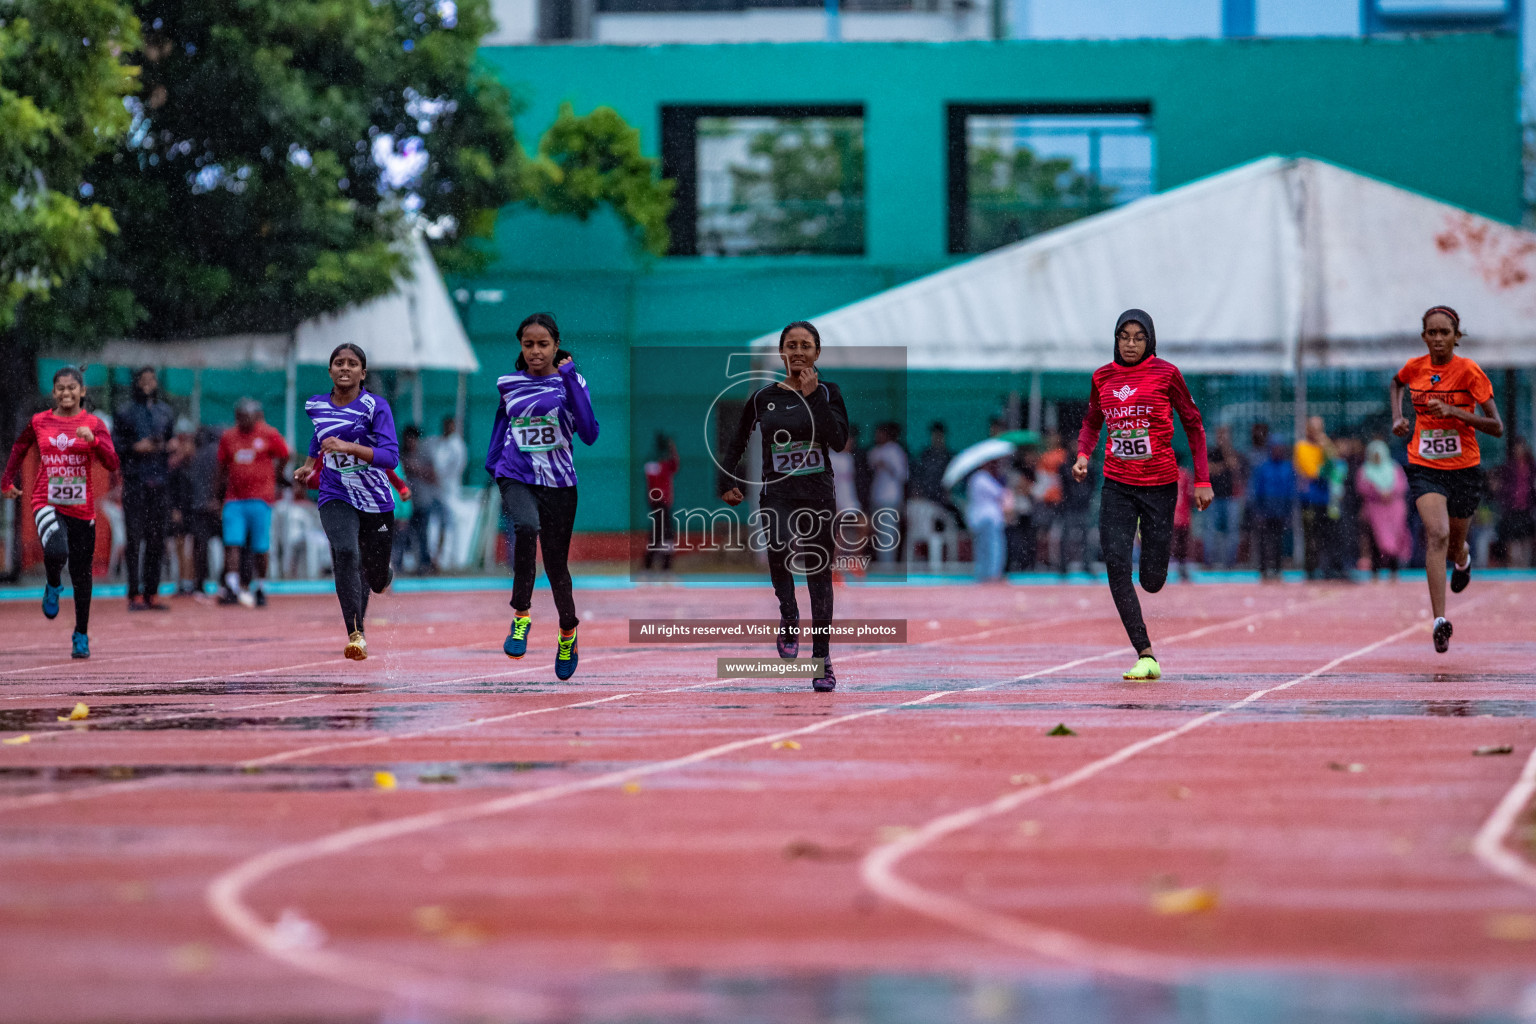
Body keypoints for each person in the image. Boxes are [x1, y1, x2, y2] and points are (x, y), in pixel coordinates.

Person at [1073, 309, 1212, 680]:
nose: (1130, 344)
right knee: (1116, 565)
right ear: (1115, 340)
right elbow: (1091, 421)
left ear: (1149, 339)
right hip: (1117, 484)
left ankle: (1150, 555)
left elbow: (1193, 424)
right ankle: (1145, 653)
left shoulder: (1167, 374)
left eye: (1138, 337)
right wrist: (1084, 455)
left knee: (1151, 580)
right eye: (1124, 336)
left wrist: (1202, 480)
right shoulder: (1102, 377)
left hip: (1160, 486)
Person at [719, 320, 849, 693]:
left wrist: (813, 398)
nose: (797, 352)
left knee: (819, 576)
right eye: (790, 345)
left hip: (818, 495)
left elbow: (837, 440)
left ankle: (822, 660)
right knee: (777, 547)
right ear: (781, 353)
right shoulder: (763, 398)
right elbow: (737, 440)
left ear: (817, 353)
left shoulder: (829, 392)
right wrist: (727, 480)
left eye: (805, 346)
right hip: (777, 494)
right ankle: (789, 614)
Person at [487, 313, 600, 679]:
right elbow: (501, 424)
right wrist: (494, 467)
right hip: (516, 475)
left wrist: (569, 379)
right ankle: (521, 615)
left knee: (556, 567)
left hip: (560, 485)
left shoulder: (572, 381)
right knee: (525, 526)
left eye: (542, 344)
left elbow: (589, 433)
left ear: (555, 345)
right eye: (528, 344)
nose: (535, 352)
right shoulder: (508, 383)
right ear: (521, 347)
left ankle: (568, 631)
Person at [1390, 305, 1502, 653]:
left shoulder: (1469, 372)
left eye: (1445, 333)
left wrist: (1455, 412)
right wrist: (1398, 417)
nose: (1438, 339)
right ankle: (1440, 621)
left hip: (1464, 468)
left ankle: (1463, 558)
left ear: (1456, 337)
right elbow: (1396, 383)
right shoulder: (1414, 368)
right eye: (1432, 333)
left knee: (1454, 544)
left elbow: (1496, 427)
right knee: (1436, 534)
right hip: (1425, 464)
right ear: (1424, 336)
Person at [1, 367, 120, 658]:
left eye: (71, 388)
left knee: (82, 575)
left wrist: (93, 441)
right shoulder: (40, 421)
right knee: (56, 551)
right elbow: (19, 447)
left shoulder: (94, 423)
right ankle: (53, 583)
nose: (66, 393)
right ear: (54, 393)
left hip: (81, 508)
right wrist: (6, 481)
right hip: (47, 501)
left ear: (82, 392)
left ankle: (81, 633)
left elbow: (112, 462)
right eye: (60, 389)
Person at [291, 344, 400, 661]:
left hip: (376, 500)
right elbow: (320, 434)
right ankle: (356, 634)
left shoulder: (375, 407)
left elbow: (390, 457)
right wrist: (311, 464)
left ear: (362, 373)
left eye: (353, 364)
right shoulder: (315, 405)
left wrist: (350, 448)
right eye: (338, 363)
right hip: (335, 493)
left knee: (376, 578)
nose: (345, 368)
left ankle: (383, 575)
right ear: (330, 371)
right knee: (346, 550)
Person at [112, 367, 177, 610]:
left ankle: (152, 592)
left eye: (152, 380)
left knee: (157, 539)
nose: (148, 384)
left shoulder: (164, 412)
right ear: (136, 383)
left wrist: (168, 446)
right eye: (144, 380)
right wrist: (135, 448)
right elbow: (116, 445)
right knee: (134, 538)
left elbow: (171, 440)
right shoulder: (125, 411)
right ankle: (134, 593)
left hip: (160, 483)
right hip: (136, 482)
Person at [217, 398, 291, 606]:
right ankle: (231, 586)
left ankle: (260, 586)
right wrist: (218, 496)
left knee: (260, 546)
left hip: (261, 499)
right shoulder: (229, 437)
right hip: (235, 499)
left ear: (256, 416)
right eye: (240, 417)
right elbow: (221, 466)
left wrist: (277, 475)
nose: (244, 421)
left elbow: (285, 454)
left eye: (248, 417)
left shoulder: (268, 434)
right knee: (232, 543)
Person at [1356, 439, 1411, 580]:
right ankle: (1375, 570)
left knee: (1396, 540)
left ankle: (1394, 570)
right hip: (1375, 511)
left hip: (1394, 511)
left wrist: (1389, 493)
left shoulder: (1394, 468)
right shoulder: (1365, 470)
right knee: (1375, 541)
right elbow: (1362, 488)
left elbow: (1402, 486)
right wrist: (1378, 492)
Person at [1294, 416, 1336, 580]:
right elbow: (1311, 471)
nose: (1318, 432)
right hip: (1309, 500)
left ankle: (1327, 568)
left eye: (1320, 428)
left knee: (1327, 535)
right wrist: (1324, 469)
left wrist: (1326, 447)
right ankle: (1311, 570)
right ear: (1308, 429)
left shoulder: (1324, 446)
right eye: (1314, 428)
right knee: (1311, 536)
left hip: (1325, 499)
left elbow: (1335, 463)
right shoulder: (1302, 447)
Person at [1248, 442, 1296, 581]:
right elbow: (1257, 490)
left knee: (1279, 542)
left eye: (1280, 448)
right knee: (1263, 541)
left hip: (1280, 509)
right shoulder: (1263, 468)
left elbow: (1290, 490)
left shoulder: (1287, 467)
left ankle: (1277, 569)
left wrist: (1288, 511)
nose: (1278, 451)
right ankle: (1263, 570)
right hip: (1266, 509)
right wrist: (1258, 510)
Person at [1203, 425, 1245, 568]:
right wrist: (1223, 465)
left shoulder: (1233, 452)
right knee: (1210, 531)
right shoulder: (1211, 452)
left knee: (1232, 531)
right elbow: (1209, 469)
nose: (1222, 439)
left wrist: (1226, 451)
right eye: (1220, 435)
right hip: (1213, 497)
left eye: (1224, 435)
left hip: (1230, 498)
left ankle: (1230, 563)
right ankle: (1209, 562)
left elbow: (1234, 466)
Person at [428, 415, 468, 565]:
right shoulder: (438, 443)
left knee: (448, 524)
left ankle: (448, 559)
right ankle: (436, 558)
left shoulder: (457, 445)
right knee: (435, 525)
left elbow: (455, 468)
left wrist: (439, 475)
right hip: (436, 491)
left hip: (449, 491)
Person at [867, 422, 908, 565]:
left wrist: (888, 465)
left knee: (888, 532)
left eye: (881, 433)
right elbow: (870, 463)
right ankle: (881, 562)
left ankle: (888, 564)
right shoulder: (876, 450)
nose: (878, 436)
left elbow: (903, 475)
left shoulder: (896, 450)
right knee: (877, 532)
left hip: (891, 498)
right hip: (877, 497)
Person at [398, 425, 436, 573]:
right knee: (402, 535)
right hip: (405, 504)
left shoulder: (424, 455)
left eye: (412, 440)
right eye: (407, 440)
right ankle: (399, 565)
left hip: (422, 501)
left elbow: (434, 477)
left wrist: (415, 468)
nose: (410, 443)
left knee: (422, 535)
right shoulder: (401, 455)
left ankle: (424, 565)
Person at [1493, 438, 1536, 568]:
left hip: (1527, 510)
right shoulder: (1508, 467)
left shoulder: (1532, 467)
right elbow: (1501, 487)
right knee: (1512, 541)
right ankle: (1514, 567)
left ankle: (1525, 567)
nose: (1518, 450)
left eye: (1520, 447)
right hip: (1512, 510)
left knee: (1526, 540)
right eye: (1516, 448)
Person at [966, 459, 1007, 581]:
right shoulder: (982, 478)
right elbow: (1000, 493)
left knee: (982, 548)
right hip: (988, 518)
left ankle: (984, 574)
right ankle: (992, 574)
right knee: (993, 548)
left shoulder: (975, 479)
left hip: (978, 518)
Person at [642, 434, 679, 573]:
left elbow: (674, 464)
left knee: (663, 535)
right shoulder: (656, 466)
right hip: (658, 505)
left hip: (663, 505)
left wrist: (672, 448)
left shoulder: (662, 466)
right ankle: (654, 566)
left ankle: (660, 566)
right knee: (661, 535)